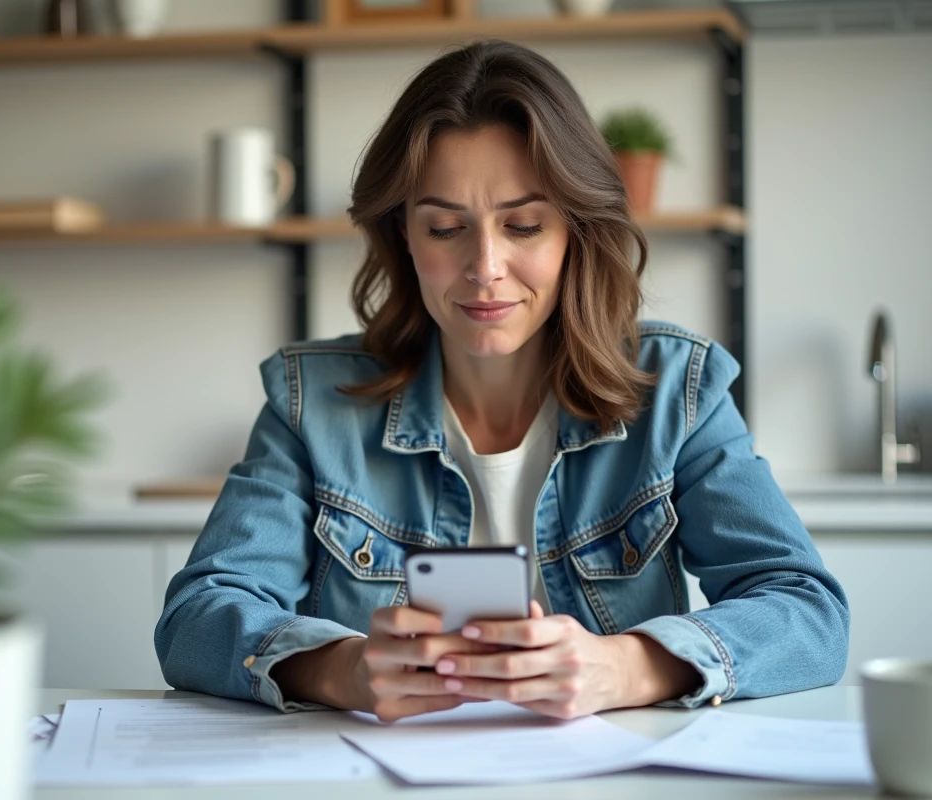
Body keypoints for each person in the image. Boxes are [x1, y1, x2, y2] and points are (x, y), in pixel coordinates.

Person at [154, 39, 849, 722]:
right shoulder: (312, 402)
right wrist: (341, 669)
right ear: (403, 237)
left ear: (575, 231)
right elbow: (197, 616)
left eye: (523, 225)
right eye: (444, 228)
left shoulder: (676, 391)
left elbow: (808, 612)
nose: (485, 267)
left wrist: (624, 668)